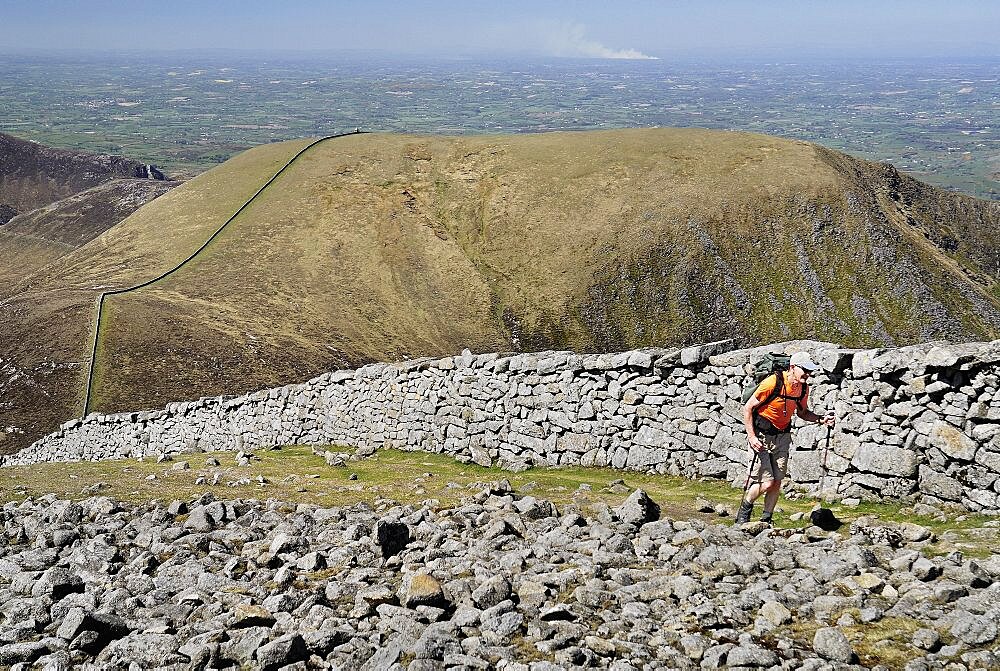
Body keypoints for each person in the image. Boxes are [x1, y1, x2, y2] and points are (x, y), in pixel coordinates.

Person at [734, 351, 835, 526]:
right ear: (793, 368)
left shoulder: (803, 388)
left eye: (810, 371)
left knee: (777, 481)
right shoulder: (773, 382)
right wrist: (751, 436)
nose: (808, 374)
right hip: (761, 436)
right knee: (766, 483)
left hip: (782, 437)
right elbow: (748, 408)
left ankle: (766, 520)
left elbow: (803, 413)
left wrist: (820, 419)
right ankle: (745, 509)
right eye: (805, 370)